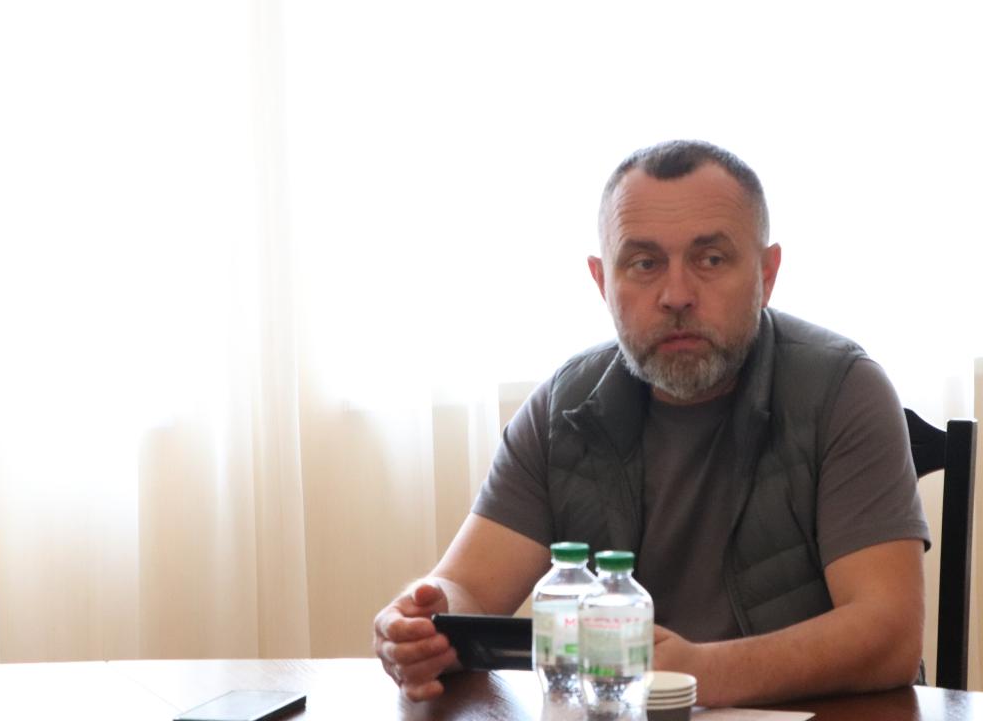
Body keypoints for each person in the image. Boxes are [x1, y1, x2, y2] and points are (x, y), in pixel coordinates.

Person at [372, 139, 930, 707]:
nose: (676, 295)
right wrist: (420, 626)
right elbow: (467, 588)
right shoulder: (564, 408)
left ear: (767, 272)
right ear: (601, 281)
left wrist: (699, 672)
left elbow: (889, 634)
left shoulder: (843, 390)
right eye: (644, 264)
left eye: (711, 260)